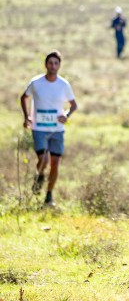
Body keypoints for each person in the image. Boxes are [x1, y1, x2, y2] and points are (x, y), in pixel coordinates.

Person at [20, 51, 78, 207]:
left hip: (57, 129)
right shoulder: (36, 82)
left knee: (55, 163)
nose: (53, 66)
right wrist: (27, 117)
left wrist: (66, 115)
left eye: (56, 63)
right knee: (43, 159)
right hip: (38, 127)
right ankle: (39, 174)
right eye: (50, 63)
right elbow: (24, 97)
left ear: (59, 65)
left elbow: (74, 105)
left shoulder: (64, 85)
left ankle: (49, 195)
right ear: (46, 64)